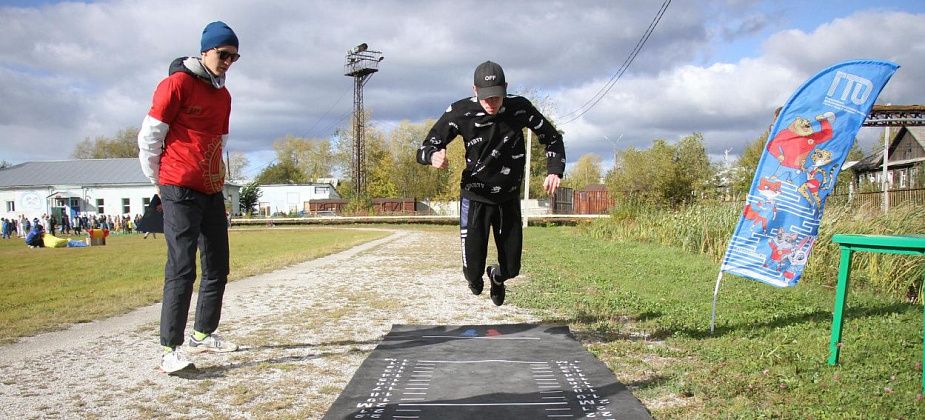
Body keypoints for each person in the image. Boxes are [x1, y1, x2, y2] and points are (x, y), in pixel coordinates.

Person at [416, 60, 565, 306]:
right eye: (485, 97)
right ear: (474, 90)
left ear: (505, 88)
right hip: (475, 197)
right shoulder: (460, 112)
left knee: (512, 268)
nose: (491, 103)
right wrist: (433, 156)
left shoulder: (520, 108)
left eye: (496, 96)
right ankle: (475, 279)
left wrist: (554, 170)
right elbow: (425, 147)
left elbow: (553, 138)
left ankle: (497, 276)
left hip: (508, 197)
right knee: (472, 274)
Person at [137, 20, 240, 374]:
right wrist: (158, 181)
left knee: (218, 266)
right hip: (177, 186)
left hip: (210, 188)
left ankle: (203, 332)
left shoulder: (224, 96)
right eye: (223, 54)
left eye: (234, 57)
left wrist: (218, 179)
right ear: (205, 51)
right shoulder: (176, 84)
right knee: (182, 267)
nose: (228, 62)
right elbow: (150, 137)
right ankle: (170, 349)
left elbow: (220, 142)